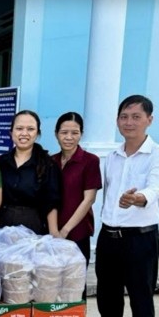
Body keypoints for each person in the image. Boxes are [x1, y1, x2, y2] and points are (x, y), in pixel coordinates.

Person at [91, 95, 159, 317]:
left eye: (136, 116)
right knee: (107, 298)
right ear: (117, 120)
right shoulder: (111, 157)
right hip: (109, 237)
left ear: (149, 120)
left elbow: (154, 189)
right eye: (124, 116)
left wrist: (137, 199)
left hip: (141, 239)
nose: (129, 122)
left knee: (141, 301)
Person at [0, 109, 61, 235]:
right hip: (1, 226)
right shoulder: (1, 162)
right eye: (19, 128)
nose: (24, 133)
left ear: (37, 133)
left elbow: (51, 201)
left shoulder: (48, 164)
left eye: (30, 129)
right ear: (11, 132)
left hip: (33, 227)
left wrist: (54, 232)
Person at [52, 111, 102, 262]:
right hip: (52, 232)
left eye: (75, 133)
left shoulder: (90, 161)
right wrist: (55, 232)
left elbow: (89, 199)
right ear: (56, 134)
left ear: (81, 134)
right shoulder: (51, 161)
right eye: (64, 132)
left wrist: (65, 231)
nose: (69, 137)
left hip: (77, 231)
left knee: (76, 281)